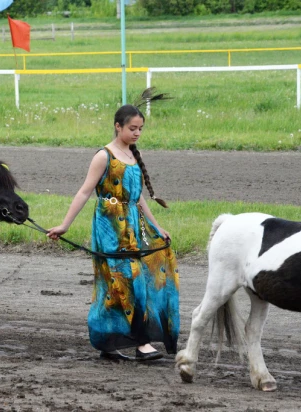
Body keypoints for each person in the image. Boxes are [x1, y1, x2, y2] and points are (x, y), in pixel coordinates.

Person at [47, 88, 180, 361]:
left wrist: (157, 227)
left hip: (133, 227)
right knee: (127, 280)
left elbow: (138, 199)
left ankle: (107, 343)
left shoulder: (132, 157)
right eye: (132, 128)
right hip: (109, 227)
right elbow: (84, 191)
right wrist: (64, 225)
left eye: (140, 129)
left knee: (121, 284)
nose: (137, 133)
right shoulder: (103, 156)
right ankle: (142, 343)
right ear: (117, 126)